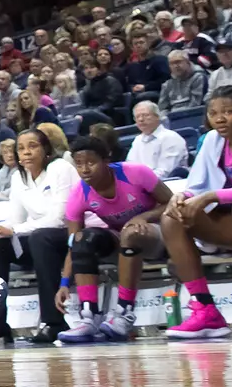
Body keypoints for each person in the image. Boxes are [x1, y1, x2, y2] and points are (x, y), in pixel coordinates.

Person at [56, 136, 172, 343]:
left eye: (90, 163)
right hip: (122, 240)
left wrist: (144, 216)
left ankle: (123, 313)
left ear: (106, 160)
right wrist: (64, 283)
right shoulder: (79, 193)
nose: (84, 169)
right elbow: (72, 244)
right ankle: (88, 317)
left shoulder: (135, 172)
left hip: (157, 234)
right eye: (79, 164)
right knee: (83, 238)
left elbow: (171, 203)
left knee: (131, 233)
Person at [160, 85, 232, 339]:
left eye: (229, 111)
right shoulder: (211, 139)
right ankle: (205, 309)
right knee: (172, 217)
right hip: (231, 223)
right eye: (213, 113)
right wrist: (181, 197)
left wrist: (210, 196)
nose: (219, 118)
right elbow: (196, 185)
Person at [0, 128, 75, 344]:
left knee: (40, 237)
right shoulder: (17, 178)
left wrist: (14, 230)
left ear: (46, 149)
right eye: (21, 148)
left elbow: (61, 218)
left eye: (33, 146)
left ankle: (54, 321)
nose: (26, 152)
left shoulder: (60, 168)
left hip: (67, 240)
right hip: (37, 240)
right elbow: (16, 220)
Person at [126, 99, 190, 179]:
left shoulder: (171, 138)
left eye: (145, 115)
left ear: (157, 117)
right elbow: (130, 167)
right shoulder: (137, 140)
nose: (141, 119)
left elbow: (165, 171)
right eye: (137, 117)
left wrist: (140, 183)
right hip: (142, 185)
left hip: (168, 185)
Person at [159, 52, 209, 117]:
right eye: (172, 63)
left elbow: (196, 105)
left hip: (194, 116)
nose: (176, 66)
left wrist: (179, 115)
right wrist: (165, 118)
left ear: (188, 62)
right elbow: (162, 108)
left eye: (178, 62)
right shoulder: (167, 85)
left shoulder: (198, 78)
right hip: (173, 120)